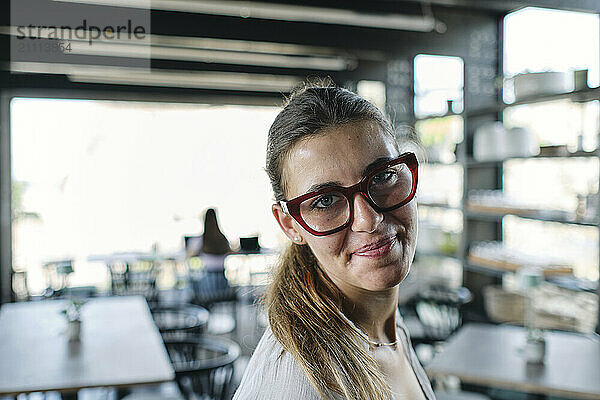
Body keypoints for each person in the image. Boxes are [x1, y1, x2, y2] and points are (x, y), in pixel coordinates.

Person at [233, 84, 435, 400]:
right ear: (290, 225)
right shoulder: (295, 383)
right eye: (326, 200)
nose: (369, 219)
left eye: (382, 177)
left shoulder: (382, 324)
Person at [189, 208, 232, 303]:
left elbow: (189, 255)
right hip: (224, 286)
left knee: (190, 283)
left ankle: (197, 313)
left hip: (207, 288)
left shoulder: (200, 240)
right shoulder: (223, 238)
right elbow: (231, 251)